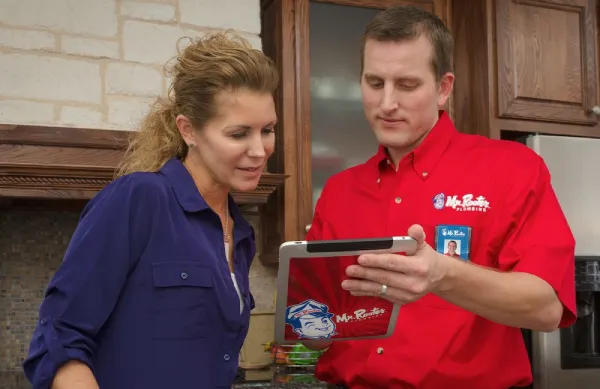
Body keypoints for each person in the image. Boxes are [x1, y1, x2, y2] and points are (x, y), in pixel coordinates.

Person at [303, 6, 576, 389]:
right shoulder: (339, 190)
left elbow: (547, 308)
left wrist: (443, 275)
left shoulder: (512, 168)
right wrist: (304, 317)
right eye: (375, 82)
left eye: (407, 85)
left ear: (444, 88)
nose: (386, 104)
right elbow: (318, 324)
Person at [22, 31, 279, 389]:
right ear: (189, 130)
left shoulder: (240, 232)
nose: (260, 150)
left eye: (267, 130)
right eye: (238, 134)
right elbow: (59, 337)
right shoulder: (139, 199)